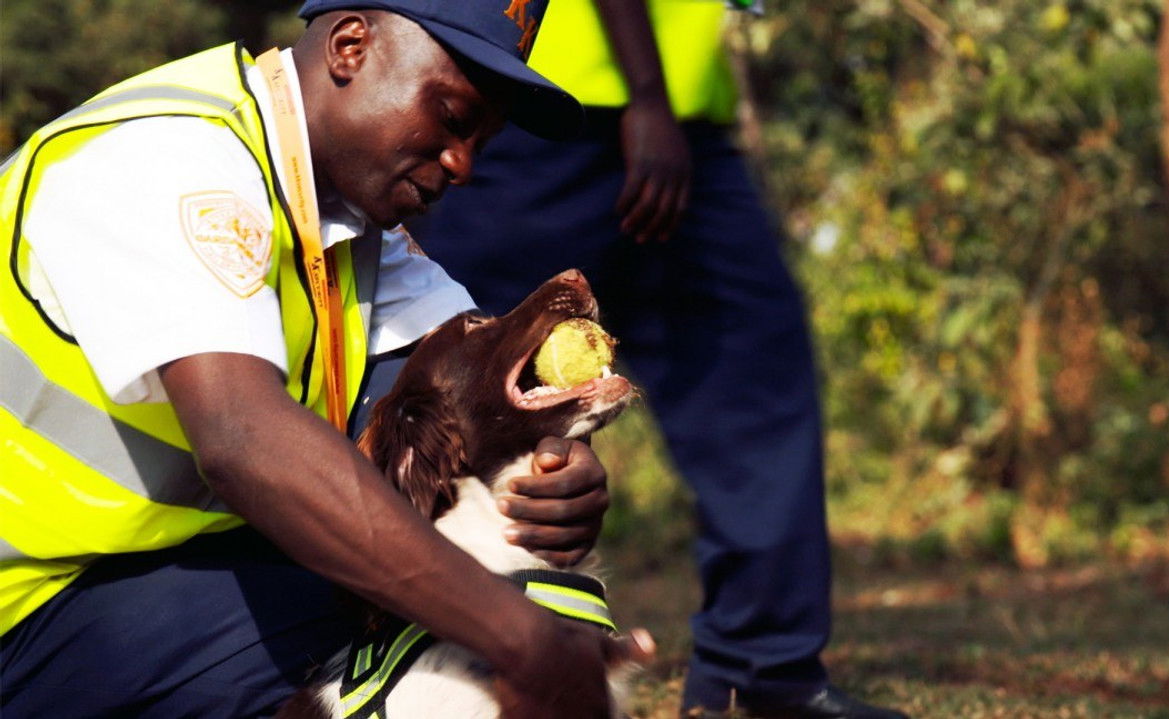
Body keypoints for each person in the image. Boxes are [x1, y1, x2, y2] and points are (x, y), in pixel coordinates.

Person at [0, 2, 644, 716]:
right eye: (452, 118)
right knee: (422, 621)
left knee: (454, 594)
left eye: (482, 141)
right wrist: (520, 641)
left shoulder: (344, 221)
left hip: (137, 581)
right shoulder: (170, 158)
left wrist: (559, 467)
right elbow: (245, 441)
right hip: (28, 610)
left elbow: (473, 382)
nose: (463, 165)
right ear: (349, 46)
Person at [405, 1, 909, 717]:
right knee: (445, 381)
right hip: (555, 106)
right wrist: (644, 94)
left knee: (754, 374)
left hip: (682, 117)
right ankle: (407, 648)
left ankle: (762, 670)